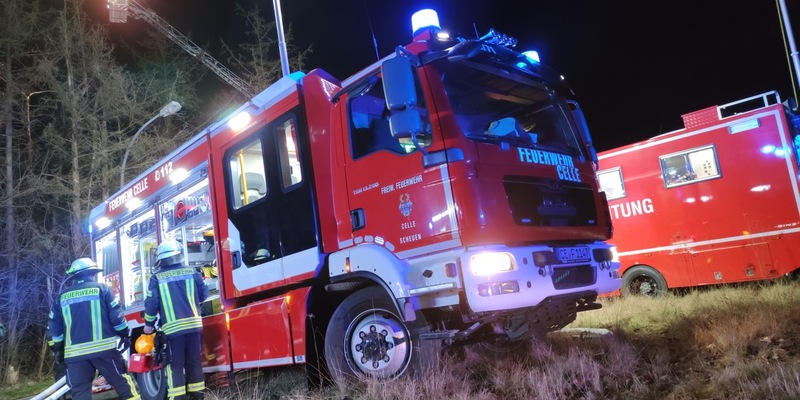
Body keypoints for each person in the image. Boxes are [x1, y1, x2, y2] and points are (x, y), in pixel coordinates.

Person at [47, 257, 141, 400]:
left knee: (80, 392)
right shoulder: (102, 289)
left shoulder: (61, 297)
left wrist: (58, 350)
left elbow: (55, 327)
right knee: (123, 384)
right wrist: (124, 335)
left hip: (75, 356)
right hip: (104, 351)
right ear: (92, 273)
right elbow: (117, 318)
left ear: (75, 275)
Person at [144, 240, 208, 400]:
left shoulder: (156, 277)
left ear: (160, 259)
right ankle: (198, 395)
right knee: (194, 361)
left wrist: (148, 325)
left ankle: (178, 397)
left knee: (175, 365)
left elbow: (152, 303)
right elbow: (203, 295)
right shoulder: (192, 271)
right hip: (194, 326)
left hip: (173, 330)